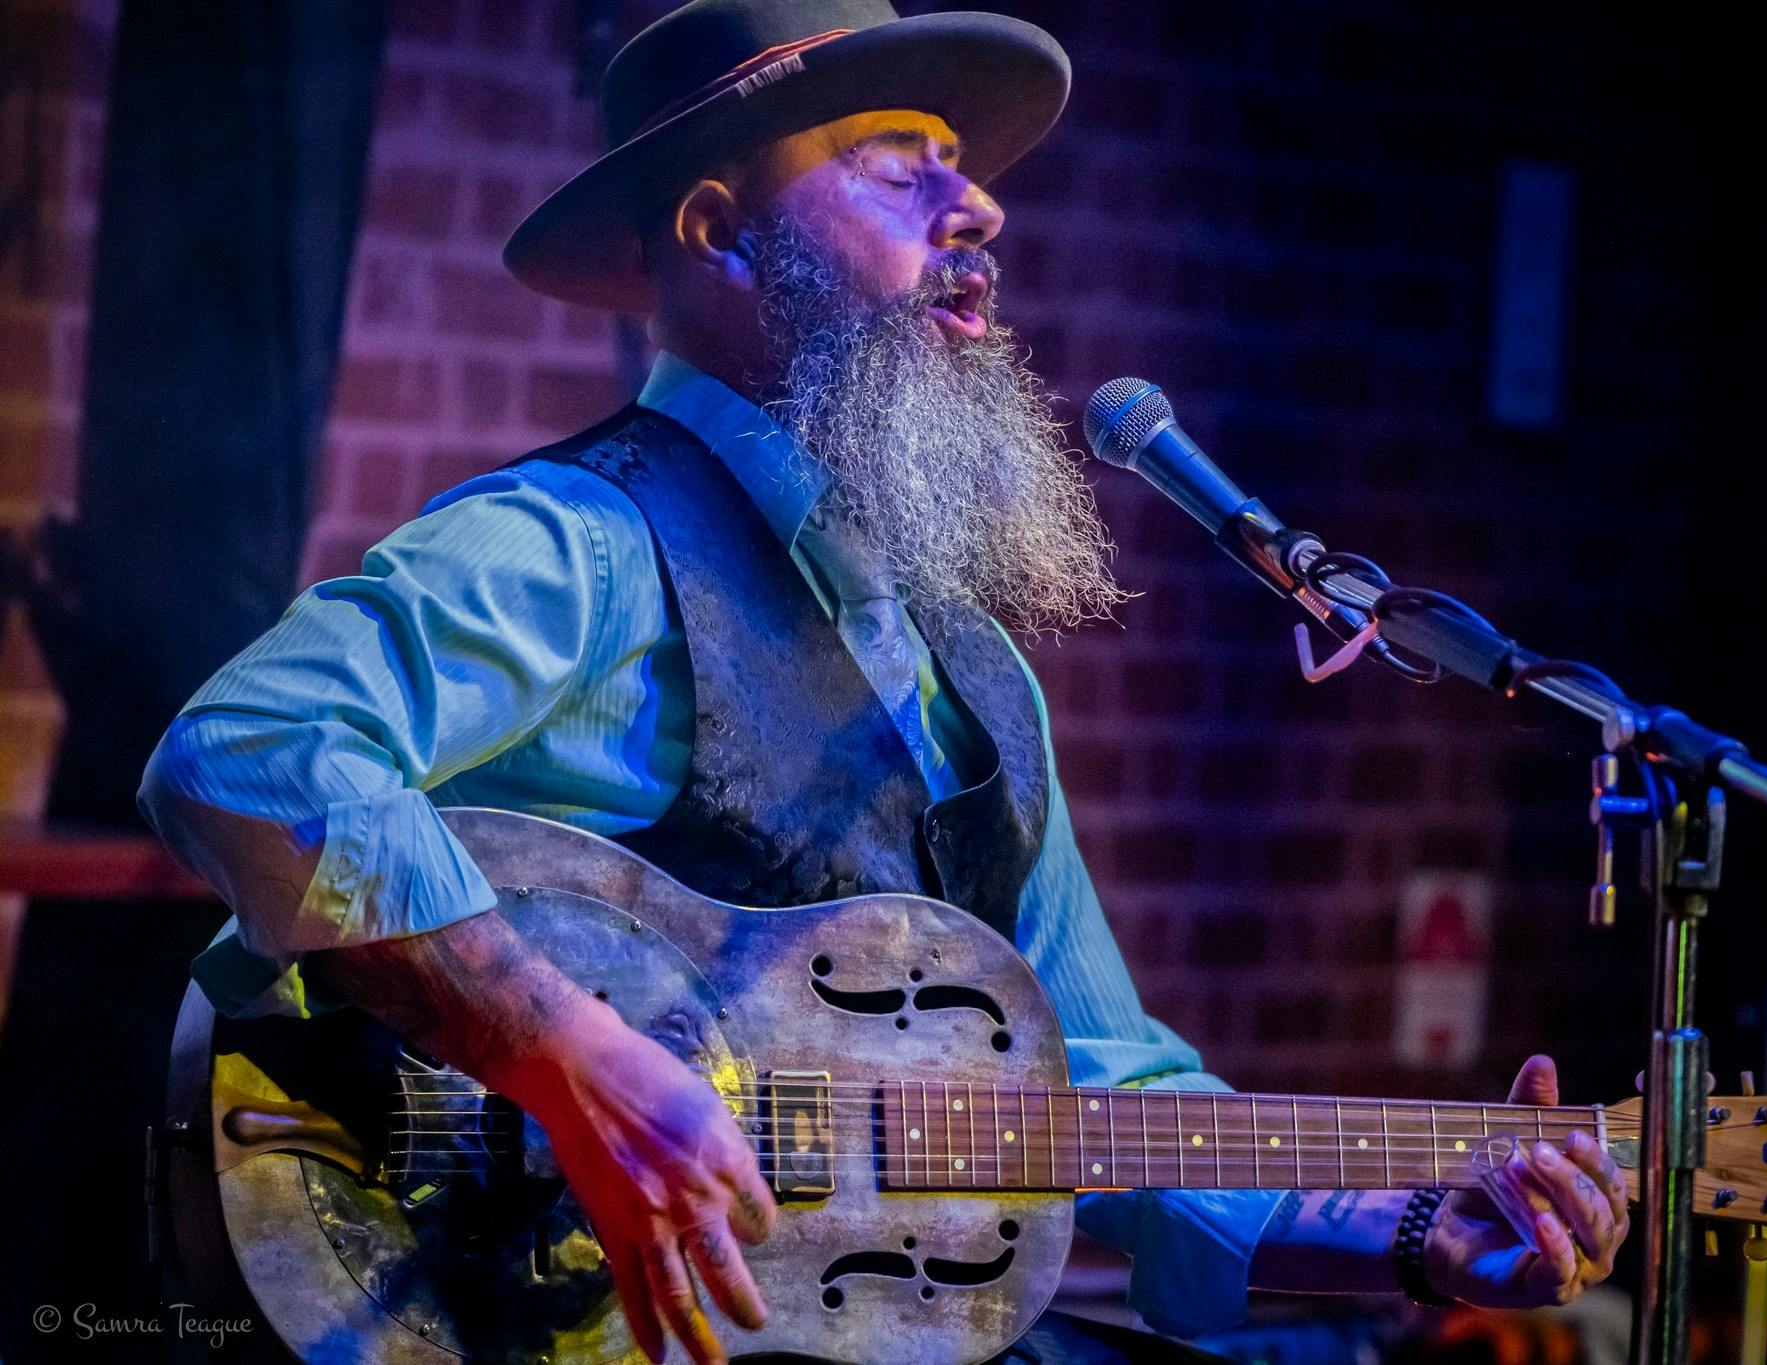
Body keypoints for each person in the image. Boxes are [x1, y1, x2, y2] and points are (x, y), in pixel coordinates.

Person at [139, 3, 1630, 1362]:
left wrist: (1416, 1226)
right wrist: (567, 1059)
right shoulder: (582, 545)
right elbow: (248, 747)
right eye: (895, 163)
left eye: (960, 167)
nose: (976, 207)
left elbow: (1101, 1086)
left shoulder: (974, 674)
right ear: (721, 232)